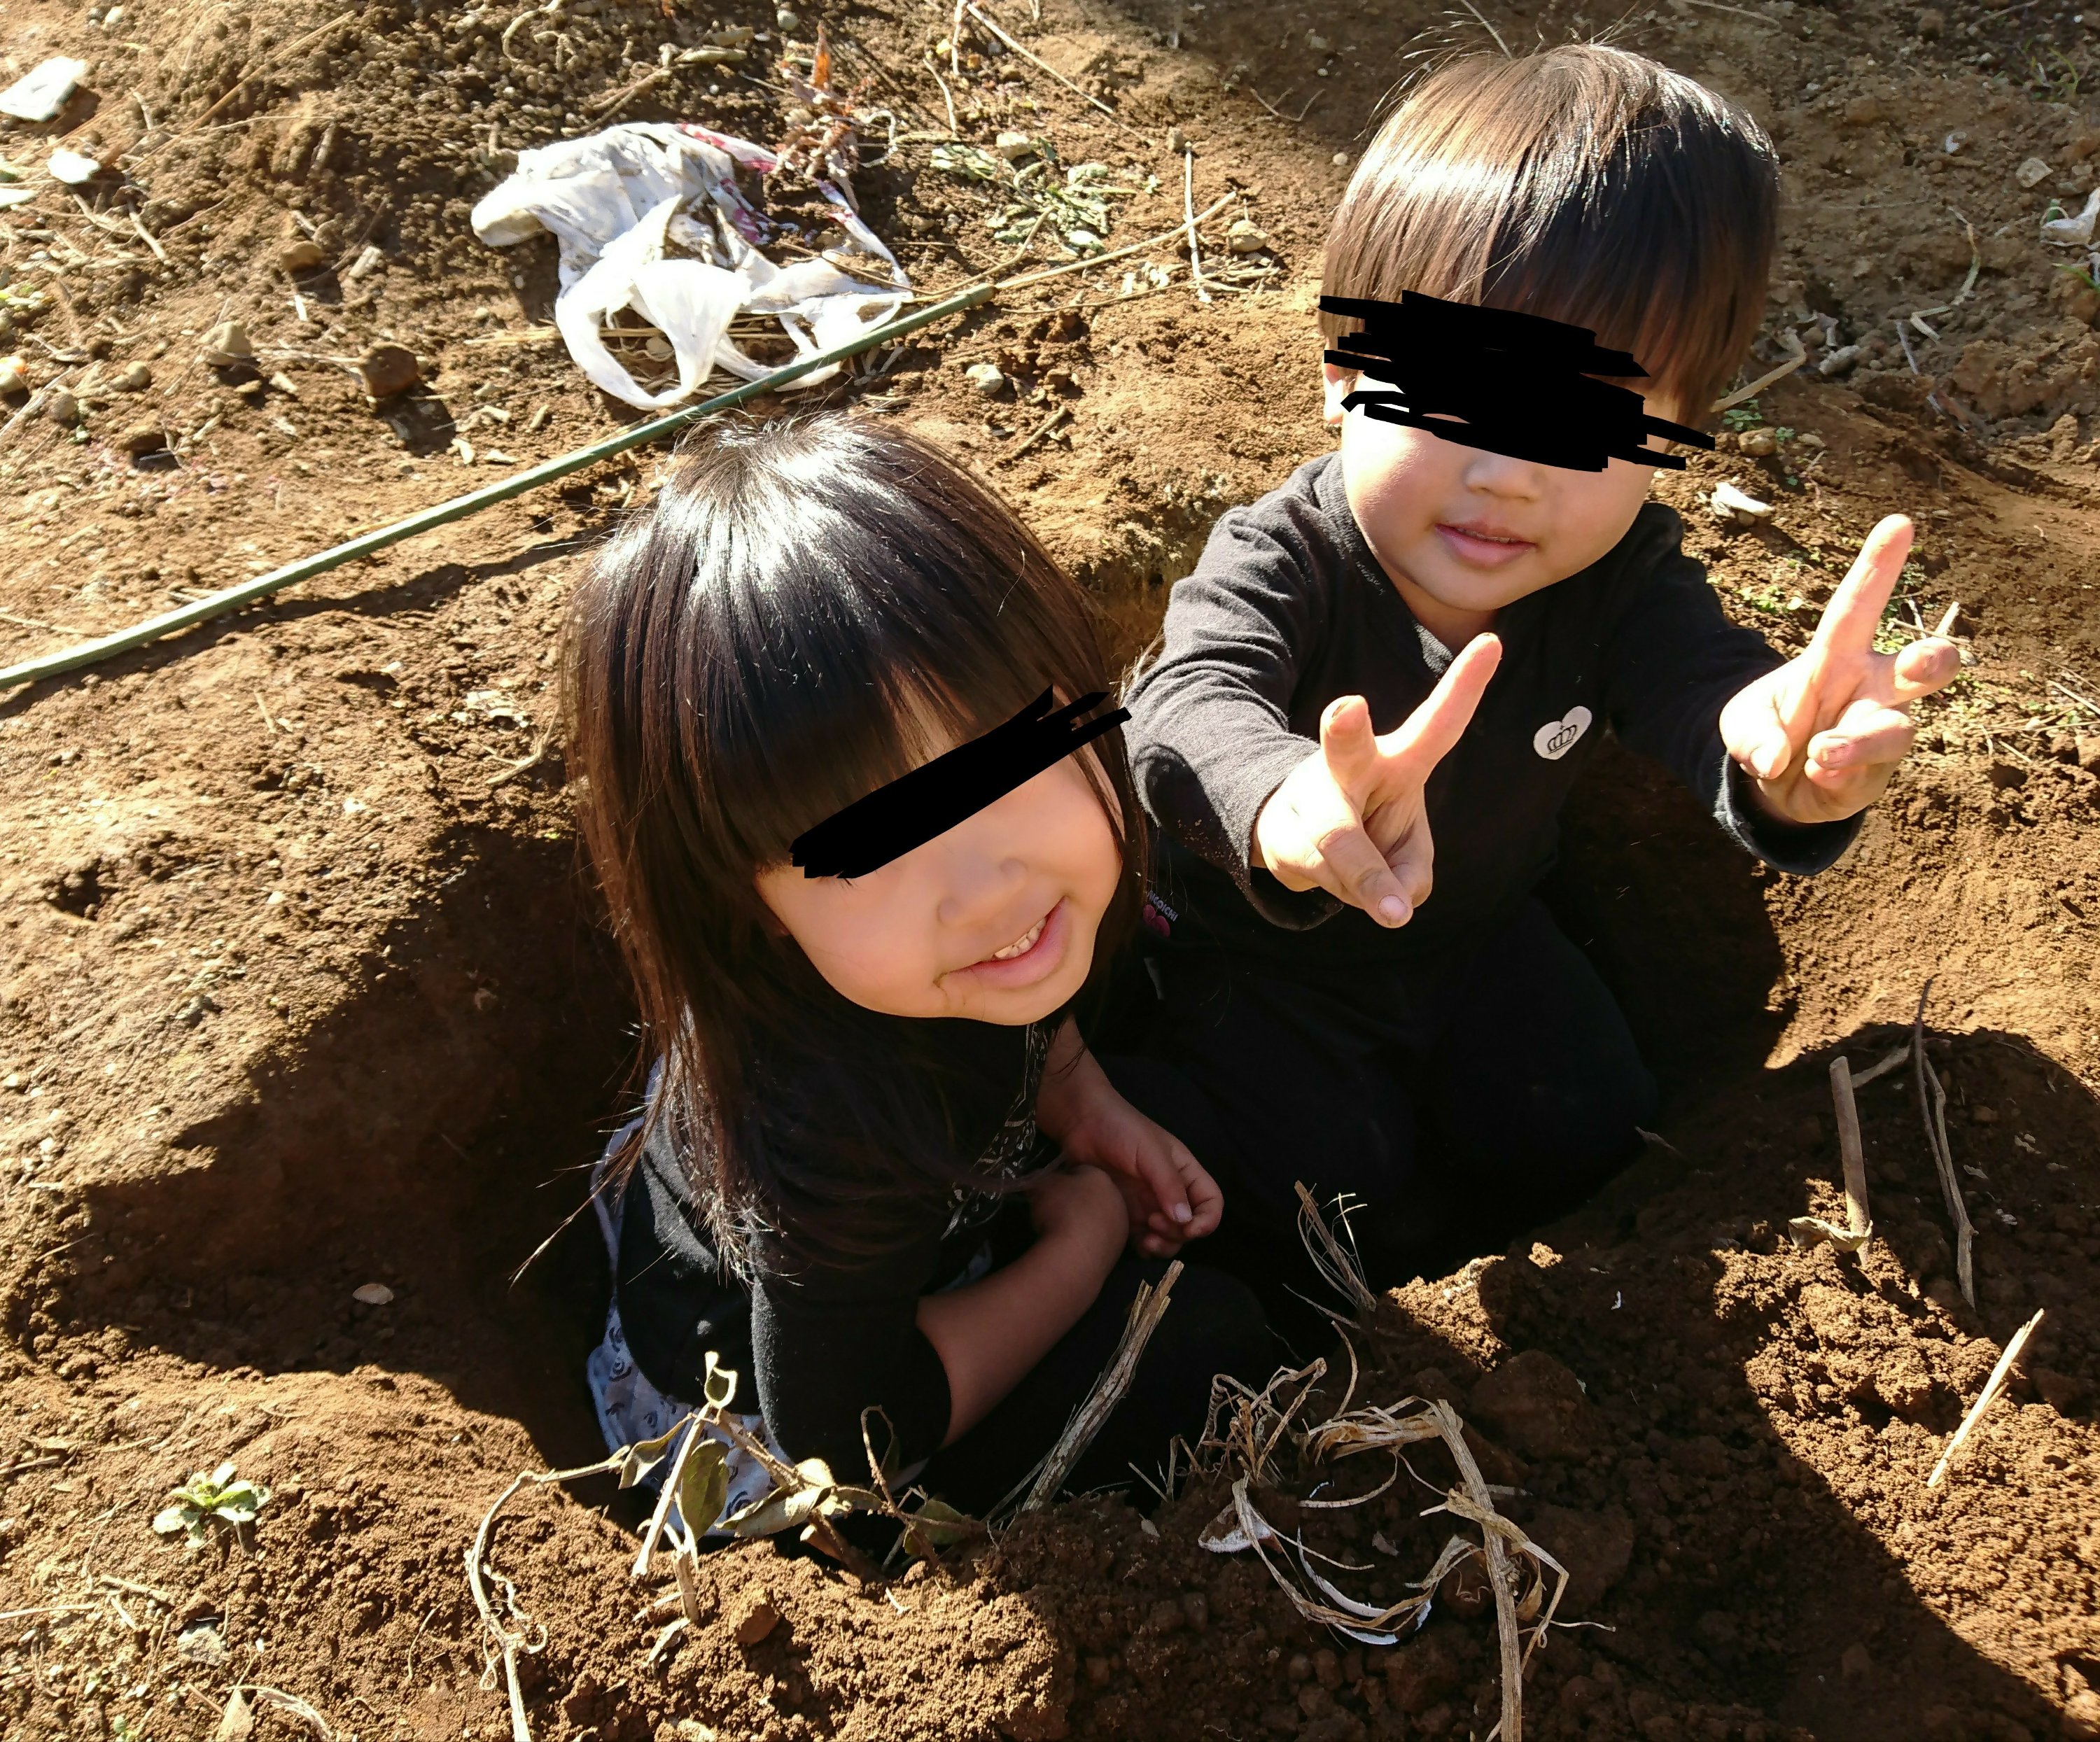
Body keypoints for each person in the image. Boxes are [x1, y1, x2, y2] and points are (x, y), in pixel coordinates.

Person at [1116, 44, 1962, 1333]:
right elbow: (1184, 704)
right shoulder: (1284, 559)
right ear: (1346, 369)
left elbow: (1708, 688)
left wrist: (1776, 759)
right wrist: (1286, 800)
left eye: (1589, 421)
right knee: (1313, 1185)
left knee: (1594, 1119)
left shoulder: (1619, 576)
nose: (1510, 472)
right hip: (1259, 968)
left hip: (1476, 939)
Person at [561, 413, 1278, 1520]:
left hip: (883, 1252)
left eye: (1013, 765)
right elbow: (845, 1436)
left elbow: (1041, 1015)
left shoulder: (963, 946)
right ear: (747, 910)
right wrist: (1080, 1251)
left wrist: (1083, 1102)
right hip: (771, 1416)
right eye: (875, 850)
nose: (988, 886)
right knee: (1199, 1353)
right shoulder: (828, 1118)